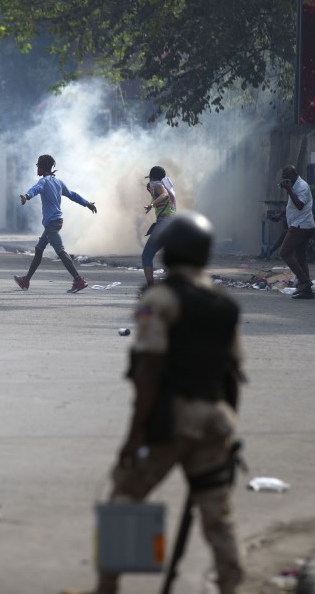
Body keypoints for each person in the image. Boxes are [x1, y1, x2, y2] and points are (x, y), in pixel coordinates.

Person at [65, 212, 245, 594]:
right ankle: (232, 586)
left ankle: (108, 588)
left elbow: (149, 371)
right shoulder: (224, 304)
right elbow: (232, 377)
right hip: (215, 421)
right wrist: (229, 429)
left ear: (169, 252)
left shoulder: (160, 299)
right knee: (218, 517)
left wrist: (134, 436)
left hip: (172, 421)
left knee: (125, 499)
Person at [14, 154, 97, 293]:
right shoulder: (58, 182)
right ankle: (25, 281)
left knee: (60, 251)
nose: (37, 168)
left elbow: (35, 189)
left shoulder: (44, 181)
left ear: (41, 167)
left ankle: (78, 280)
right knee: (39, 249)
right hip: (56, 222)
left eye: (38, 165)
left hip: (52, 224)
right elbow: (72, 194)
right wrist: (87, 203)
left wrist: (26, 196)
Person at [278, 165, 315, 299]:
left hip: (301, 225)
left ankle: (304, 281)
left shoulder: (302, 186)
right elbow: (292, 205)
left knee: (284, 252)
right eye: (284, 178)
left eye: (288, 177)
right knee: (300, 257)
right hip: (300, 224)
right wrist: (281, 215)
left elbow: (299, 205)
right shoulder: (294, 185)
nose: (286, 180)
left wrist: (289, 190)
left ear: (294, 174)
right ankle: (307, 291)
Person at [140, 165, 177, 289]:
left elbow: (164, 195)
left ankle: (151, 288)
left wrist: (152, 205)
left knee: (146, 256)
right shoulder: (164, 185)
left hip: (164, 223)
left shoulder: (157, 185)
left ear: (152, 177)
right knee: (170, 258)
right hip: (171, 223)